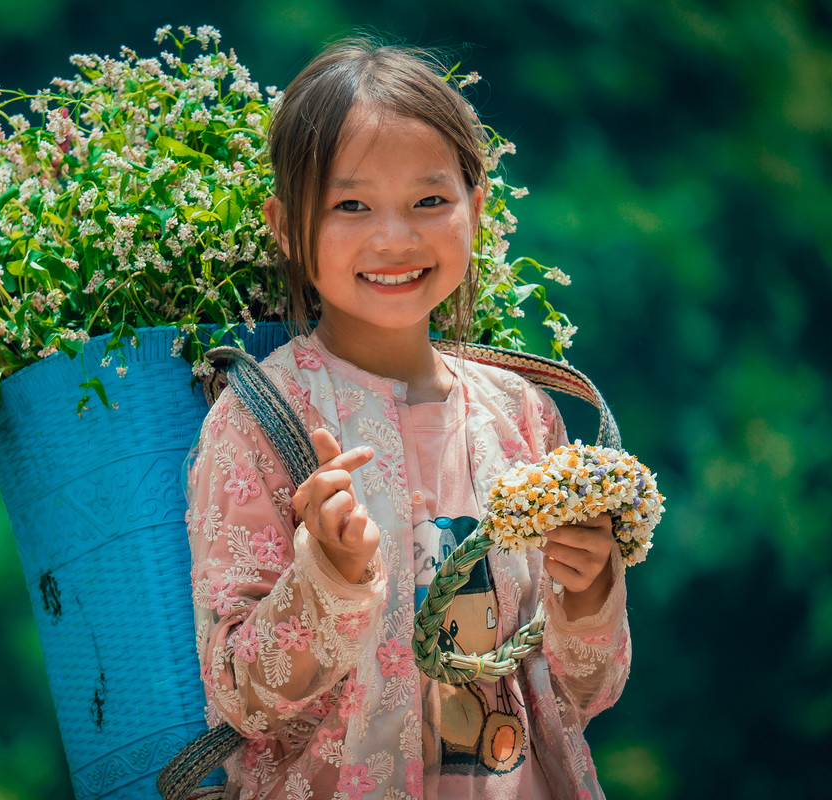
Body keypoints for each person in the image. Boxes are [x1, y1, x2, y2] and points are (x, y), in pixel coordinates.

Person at [186, 38, 629, 800]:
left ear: (476, 207)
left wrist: (589, 596)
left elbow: (579, 700)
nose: (395, 237)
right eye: (350, 205)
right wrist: (327, 576)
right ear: (287, 226)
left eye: (429, 201)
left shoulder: (523, 416)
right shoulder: (260, 421)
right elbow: (239, 695)